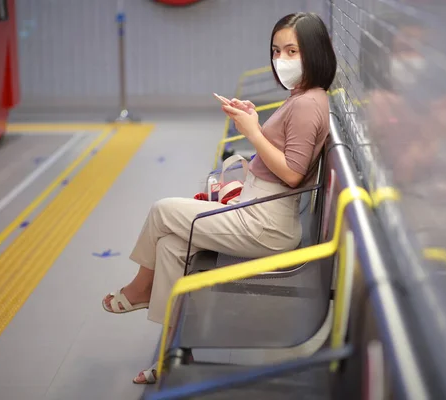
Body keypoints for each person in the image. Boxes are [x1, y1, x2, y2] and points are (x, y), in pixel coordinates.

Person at [101, 12, 337, 384]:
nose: (282, 59)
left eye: (293, 50)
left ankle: (139, 289)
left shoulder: (307, 103)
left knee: (163, 211)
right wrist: (252, 121)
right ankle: (170, 353)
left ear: (315, 52)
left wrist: (252, 131)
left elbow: (292, 173)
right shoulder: (303, 96)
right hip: (260, 210)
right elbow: (284, 152)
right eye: (277, 51)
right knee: (172, 247)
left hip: (266, 223)